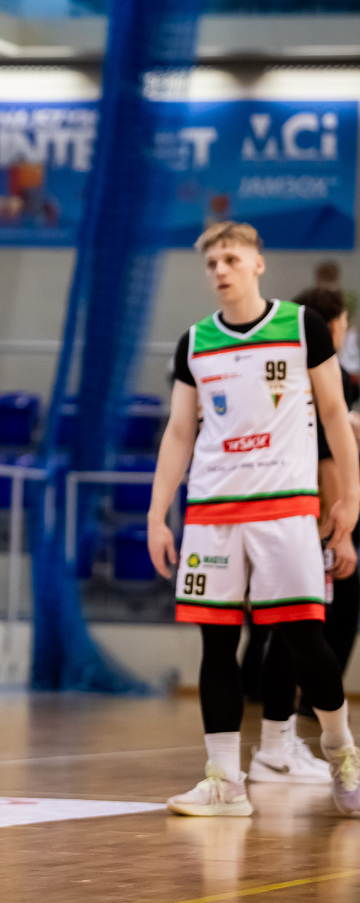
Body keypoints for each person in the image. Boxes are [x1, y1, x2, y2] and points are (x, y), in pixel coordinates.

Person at [149, 221, 360, 818]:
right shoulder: (194, 342)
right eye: (212, 262)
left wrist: (350, 496)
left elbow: (334, 413)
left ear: (257, 264)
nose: (220, 270)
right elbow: (180, 431)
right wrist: (157, 513)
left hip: (285, 507)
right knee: (216, 643)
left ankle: (342, 750)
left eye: (231, 259)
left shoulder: (302, 327)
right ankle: (224, 782)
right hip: (212, 512)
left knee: (302, 639)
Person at [241, 284, 360, 784]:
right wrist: (339, 529)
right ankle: (285, 744)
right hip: (305, 517)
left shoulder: (276, 368)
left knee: (286, 628)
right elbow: (328, 459)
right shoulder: (327, 375)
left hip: (270, 509)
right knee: (302, 630)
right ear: (333, 326)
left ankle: (280, 741)